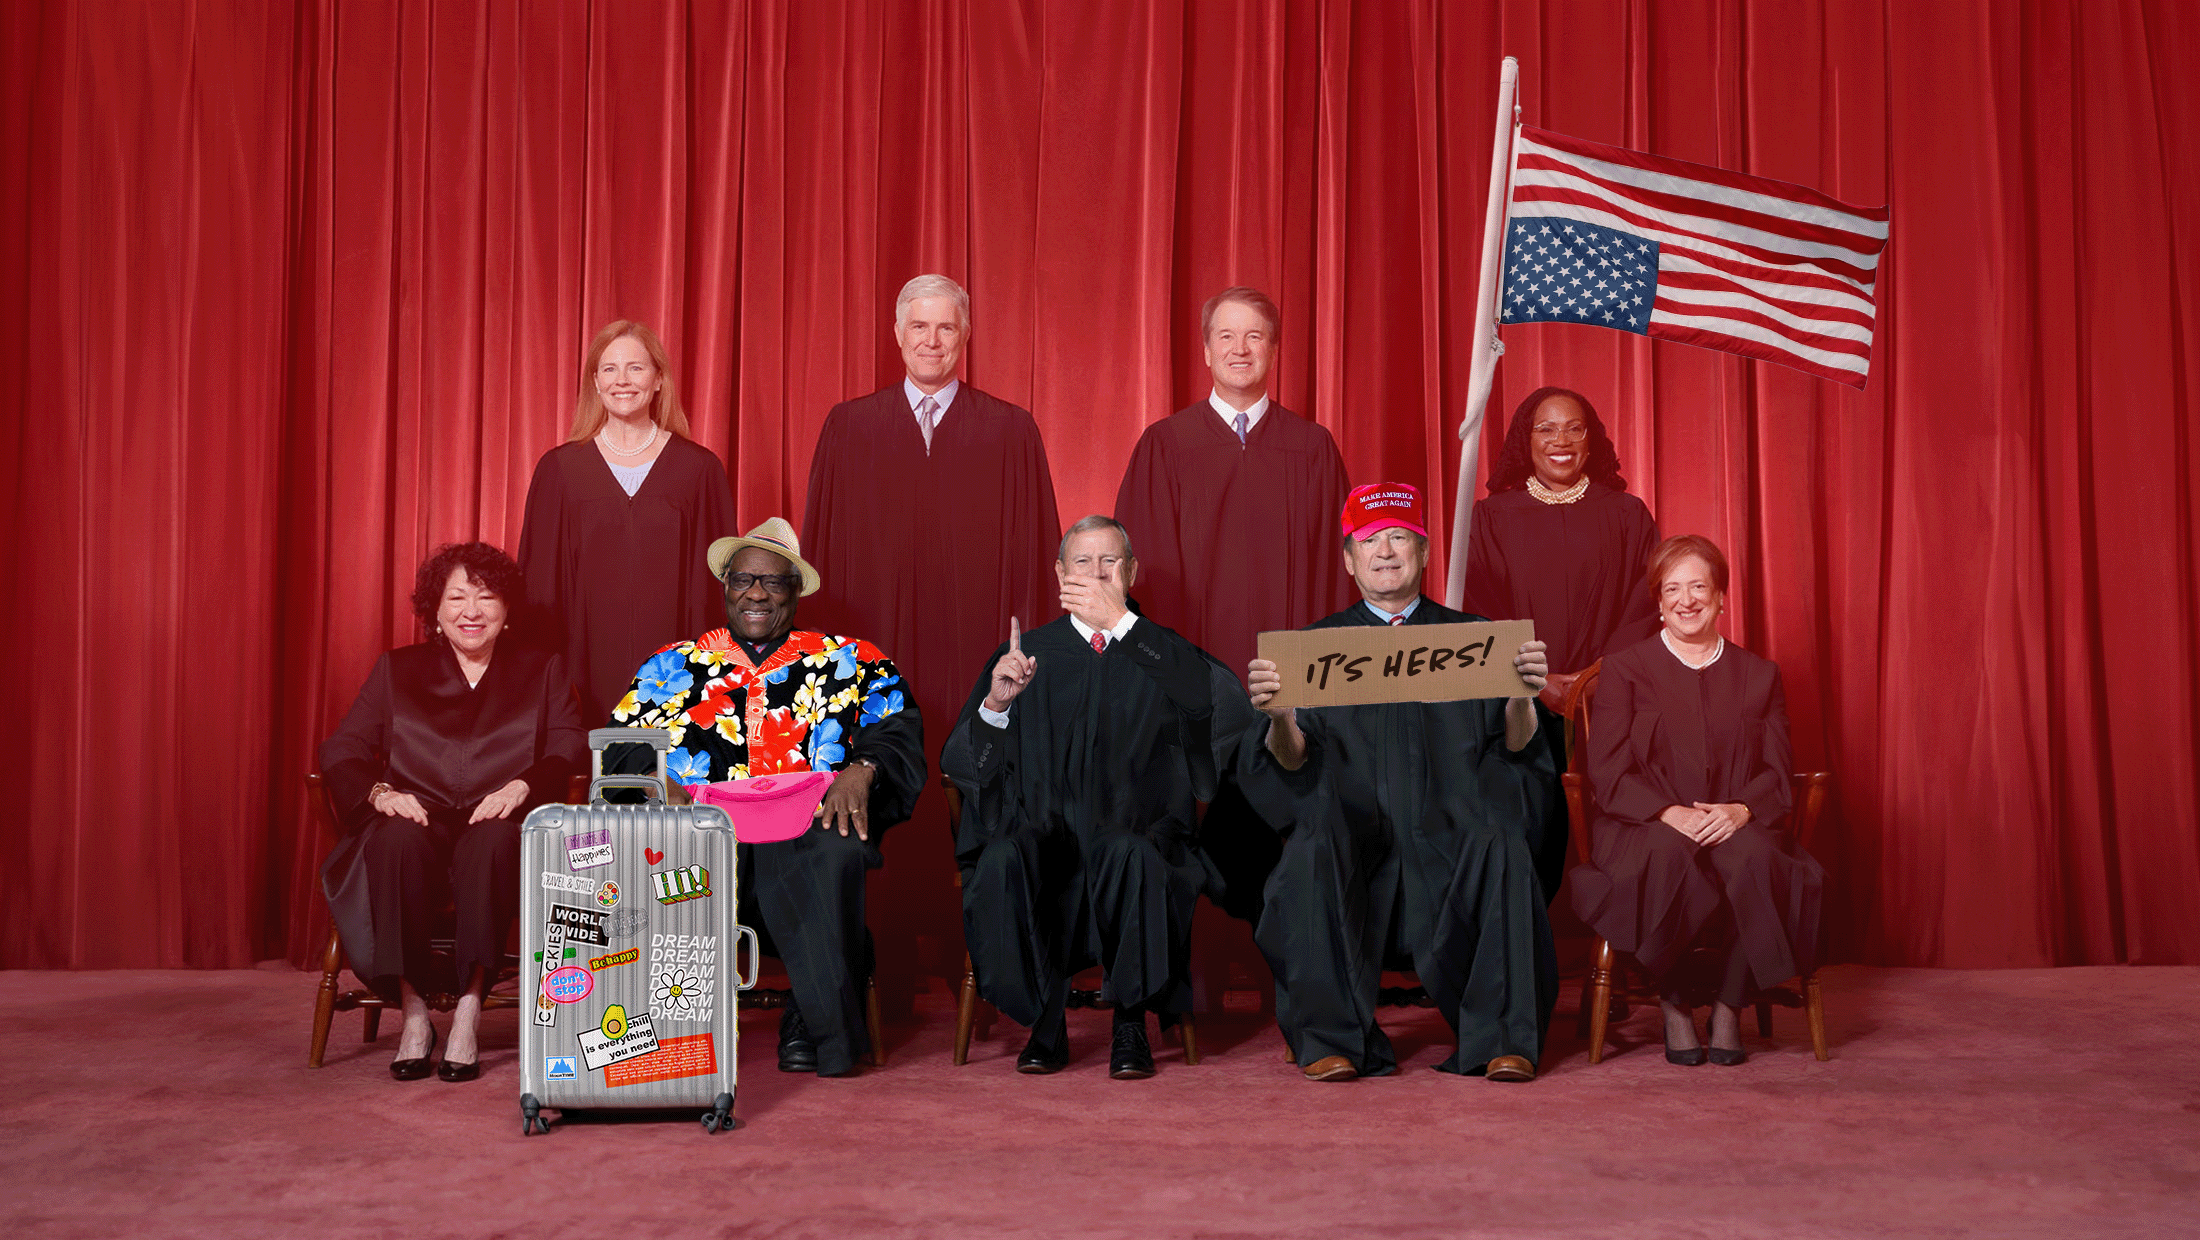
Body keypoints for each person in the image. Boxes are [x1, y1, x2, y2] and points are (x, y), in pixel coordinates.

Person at [800, 273, 1062, 1003]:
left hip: (974, 656)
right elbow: (819, 554)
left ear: (965, 336)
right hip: (875, 649)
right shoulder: (849, 427)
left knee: (971, 776)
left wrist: (1025, 656)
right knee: (878, 770)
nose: (931, 339)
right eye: (918, 326)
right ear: (897, 334)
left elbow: (1037, 549)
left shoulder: (1010, 429)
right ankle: (876, 960)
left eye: (946, 327)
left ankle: (976, 952)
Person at [1243, 483, 1558, 1082]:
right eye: (1369, 540)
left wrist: (1524, 697)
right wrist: (1279, 716)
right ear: (1348, 559)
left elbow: (1517, 746)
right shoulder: (1312, 650)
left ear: (1424, 552)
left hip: (1450, 832)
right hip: (1355, 837)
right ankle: (1330, 1038)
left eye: (1398, 538)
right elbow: (1290, 762)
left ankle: (1501, 1039)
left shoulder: (1476, 639)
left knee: (1502, 841)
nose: (1385, 551)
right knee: (1311, 846)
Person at [942, 516, 1260, 1079]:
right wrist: (997, 706)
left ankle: (1131, 1023)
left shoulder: (1163, 653)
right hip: (1048, 836)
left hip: (1136, 836)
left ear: (1132, 571)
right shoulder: (1026, 654)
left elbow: (1221, 709)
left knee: (1131, 855)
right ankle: (1045, 1022)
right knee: (1005, 857)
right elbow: (967, 765)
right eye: (1083, 562)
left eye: (1110, 561)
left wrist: (1123, 625)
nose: (1097, 573)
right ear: (1061, 573)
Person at [605, 518, 925, 1077]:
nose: (756, 593)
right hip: (703, 841)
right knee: (673, 853)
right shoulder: (672, 664)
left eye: (774, 583)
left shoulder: (853, 659)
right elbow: (622, 745)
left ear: (795, 592)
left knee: (836, 851)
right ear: (725, 586)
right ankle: (668, 1033)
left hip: (809, 832)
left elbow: (896, 732)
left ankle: (815, 1023)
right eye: (744, 580)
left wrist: (864, 767)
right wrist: (664, 786)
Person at [1113, 287, 1353, 926]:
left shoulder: (1312, 446)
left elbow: (1338, 573)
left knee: (1298, 802)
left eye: (1254, 337)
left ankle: (1293, 962)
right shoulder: (1164, 444)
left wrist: (1315, 675)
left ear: (1274, 349)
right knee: (1195, 812)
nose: (1240, 349)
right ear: (1205, 349)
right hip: (1199, 674)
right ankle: (1201, 976)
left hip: (1289, 674)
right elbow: (1144, 581)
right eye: (1226, 336)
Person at [319, 542, 585, 1082]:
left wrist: (524, 784)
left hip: (496, 820)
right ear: (434, 612)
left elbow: (568, 747)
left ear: (506, 611)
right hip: (417, 818)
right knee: (393, 840)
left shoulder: (542, 670)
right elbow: (343, 750)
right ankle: (415, 1011)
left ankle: (468, 1008)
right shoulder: (398, 669)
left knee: (492, 843)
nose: (472, 611)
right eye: (456, 597)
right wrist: (379, 794)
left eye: (486, 598)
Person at [1569, 534, 1824, 1066]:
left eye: (1699, 587)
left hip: (1736, 818)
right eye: (1672, 589)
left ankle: (1729, 1004)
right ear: (1658, 602)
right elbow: (1609, 770)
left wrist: (1740, 810)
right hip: (1644, 820)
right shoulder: (1625, 669)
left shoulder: (1759, 675)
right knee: (1667, 855)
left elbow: (1776, 771)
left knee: (1752, 857)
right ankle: (1677, 1002)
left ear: (1722, 597)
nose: (1686, 600)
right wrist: (1670, 812)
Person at [1459, 386, 1661, 899]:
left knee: (1623, 816)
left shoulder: (1628, 514)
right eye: (1545, 429)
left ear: (1591, 441)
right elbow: (1478, 610)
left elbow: (1645, 604)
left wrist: (1597, 678)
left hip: (1609, 698)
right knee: (1523, 815)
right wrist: (1537, 681)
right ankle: (1530, 940)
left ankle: (1620, 937)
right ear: (1525, 441)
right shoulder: (1491, 517)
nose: (1561, 440)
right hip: (1520, 697)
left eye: (1574, 427)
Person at [519, 319, 738, 722]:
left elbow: (718, 588)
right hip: (581, 672)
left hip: (680, 675)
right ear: (595, 383)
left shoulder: (699, 470)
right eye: (609, 369)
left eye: (636, 367)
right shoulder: (560, 470)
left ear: (658, 380)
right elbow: (540, 588)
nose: (623, 380)